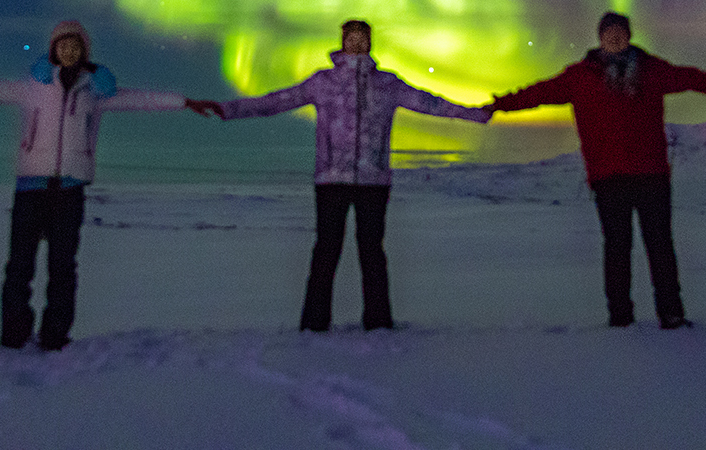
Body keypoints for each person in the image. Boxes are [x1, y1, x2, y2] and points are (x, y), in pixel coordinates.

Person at [0, 20, 209, 351]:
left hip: (70, 189)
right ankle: (14, 338)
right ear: (53, 50)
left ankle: (54, 339)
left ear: (84, 53)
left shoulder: (95, 92)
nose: (68, 51)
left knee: (63, 268)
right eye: (63, 45)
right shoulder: (32, 88)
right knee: (20, 266)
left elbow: (142, 98)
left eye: (75, 46)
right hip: (30, 188)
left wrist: (184, 102)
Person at [194, 19, 490, 332]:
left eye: (363, 38)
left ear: (370, 43)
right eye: (352, 38)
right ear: (343, 41)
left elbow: (432, 104)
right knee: (326, 251)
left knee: (372, 252)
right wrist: (227, 110)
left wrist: (476, 114)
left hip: (373, 181)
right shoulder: (324, 82)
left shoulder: (388, 84)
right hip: (331, 179)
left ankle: (378, 324)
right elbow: (278, 101)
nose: (357, 44)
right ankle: (314, 324)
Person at [489, 12, 706, 329]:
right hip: (609, 177)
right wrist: (500, 104)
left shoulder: (652, 70)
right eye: (609, 33)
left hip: (651, 174)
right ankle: (620, 316)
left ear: (629, 36)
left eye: (620, 32)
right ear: (599, 38)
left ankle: (670, 313)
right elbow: (539, 93)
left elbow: (693, 78)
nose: (615, 37)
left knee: (660, 246)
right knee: (617, 249)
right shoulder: (580, 76)